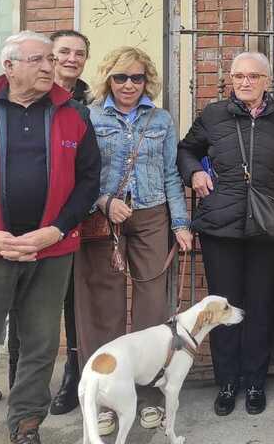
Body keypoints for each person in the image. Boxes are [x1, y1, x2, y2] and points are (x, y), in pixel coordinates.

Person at [0, 31, 100, 444]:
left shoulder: (74, 115)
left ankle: (26, 427)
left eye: (50, 59)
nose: (49, 67)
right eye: (38, 60)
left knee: (40, 348)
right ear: (9, 66)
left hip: (51, 251)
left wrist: (56, 229)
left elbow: (88, 182)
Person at [177, 51, 274, 417]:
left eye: (253, 76)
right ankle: (227, 382)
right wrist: (194, 173)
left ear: (268, 81)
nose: (245, 82)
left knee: (261, 306)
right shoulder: (214, 115)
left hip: (266, 227)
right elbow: (186, 150)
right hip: (221, 227)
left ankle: (254, 381)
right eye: (238, 76)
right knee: (223, 307)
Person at [74, 46, 193, 436]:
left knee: (152, 308)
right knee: (101, 308)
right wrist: (104, 203)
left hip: (152, 215)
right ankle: (103, 397)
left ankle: (150, 395)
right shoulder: (89, 116)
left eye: (137, 77)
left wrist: (180, 222)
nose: (128, 84)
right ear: (108, 78)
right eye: (121, 77)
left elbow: (171, 173)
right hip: (101, 220)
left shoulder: (160, 118)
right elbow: (80, 174)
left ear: (147, 81)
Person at [7, 28, 92, 413]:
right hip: (16, 230)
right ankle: (18, 388)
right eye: (62, 53)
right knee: (20, 312)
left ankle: (71, 378)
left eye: (79, 53)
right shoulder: (17, 100)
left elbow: (89, 168)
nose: (70, 59)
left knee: (72, 305)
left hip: (71, 222)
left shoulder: (90, 101)